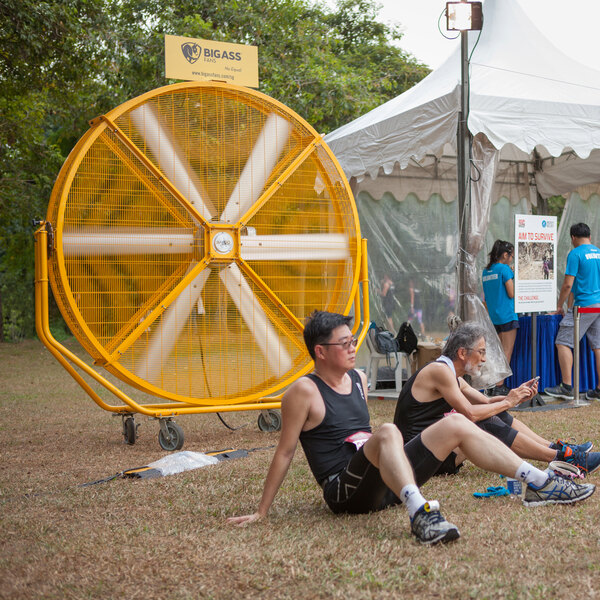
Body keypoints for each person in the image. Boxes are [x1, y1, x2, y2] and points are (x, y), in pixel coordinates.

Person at [228, 312, 595, 545]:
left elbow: (471, 407)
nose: (353, 347)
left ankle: (541, 482)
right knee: (387, 431)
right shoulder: (303, 392)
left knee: (454, 423)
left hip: (386, 480)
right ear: (320, 352)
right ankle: (421, 515)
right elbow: (286, 451)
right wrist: (262, 511)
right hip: (345, 492)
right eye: (344, 343)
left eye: (352, 339)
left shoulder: (357, 377)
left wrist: (506, 400)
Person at [394, 321, 600, 477]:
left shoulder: (450, 374)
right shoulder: (439, 372)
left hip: (435, 450)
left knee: (494, 411)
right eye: (481, 352)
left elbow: (484, 403)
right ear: (462, 353)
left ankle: (558, 450)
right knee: (481, 421)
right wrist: (507, 402)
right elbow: (471, 414)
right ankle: (564, 460)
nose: (484, 359)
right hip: (420, 458)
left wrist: (514, 396)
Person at [545, 223, 600, 401]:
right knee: (598, 347)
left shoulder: (575, 253)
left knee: (563, 342)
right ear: (590, 237)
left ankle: (567, 386)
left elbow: (568, 284)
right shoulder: (598, 252)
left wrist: (559, 305)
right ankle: (598, 390)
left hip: (584, 306)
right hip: (598, 305)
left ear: (573, 238)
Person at [481, 240, 518, 396]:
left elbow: (486, 299)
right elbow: (511, 293)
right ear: (505, 255)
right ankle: (499, 386)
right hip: (508, 315)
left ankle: (491, 384)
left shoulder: (486, 271)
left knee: (496, 352)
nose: (512, 259)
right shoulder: (504, 269)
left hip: (494, 317)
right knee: (506, 352)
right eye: (511, 256)